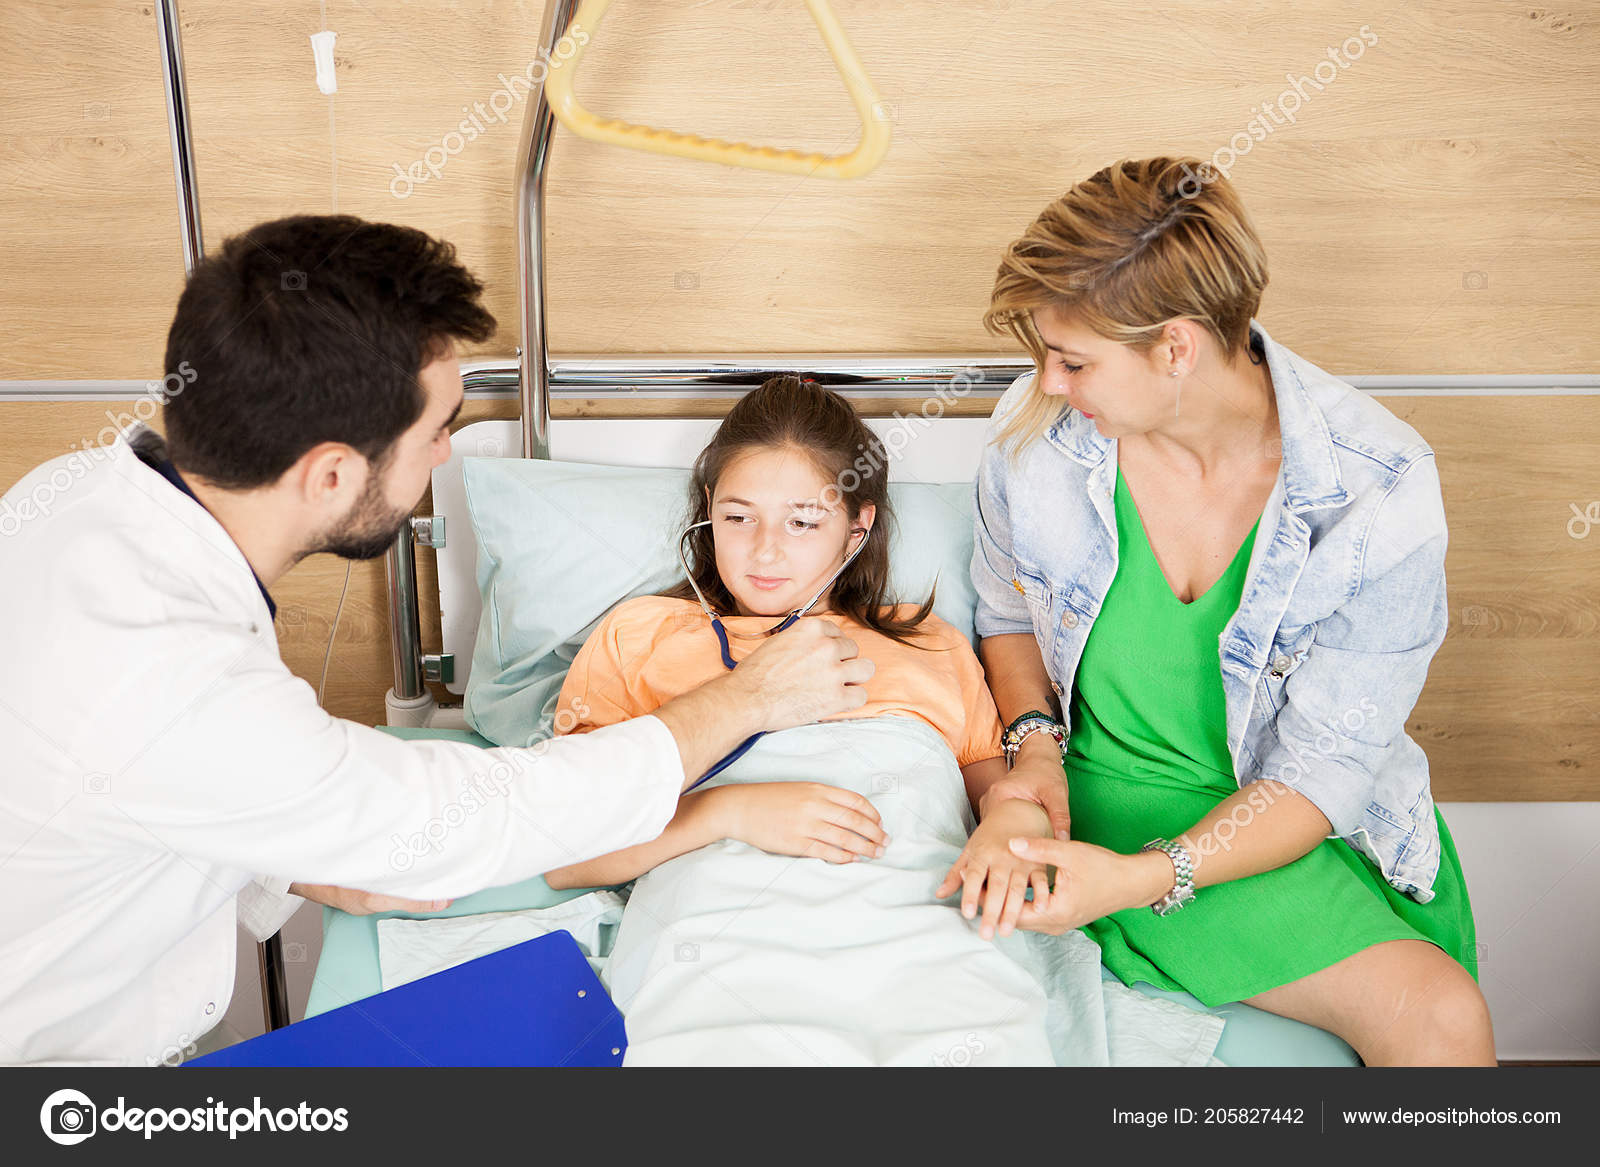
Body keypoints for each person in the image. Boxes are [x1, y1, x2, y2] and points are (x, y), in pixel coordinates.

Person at [0, 216, 870, 1066]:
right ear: (332, 474)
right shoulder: (171, 671)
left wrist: (289, 862)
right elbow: (475, 815)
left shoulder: (76, 495)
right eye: (436, 430)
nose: (448, 454)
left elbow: (162, 779)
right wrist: (745, 700)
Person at [960, 156, 1495, 1065]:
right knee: (1440, 1017)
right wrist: (1036, 757)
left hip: (1280, 814)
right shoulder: (1040, 437)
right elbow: (1006, 613)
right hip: (1106, 797)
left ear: (1176, 348)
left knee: (1442, 1018)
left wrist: (1142, 878)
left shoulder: (1380, 490)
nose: (1048, 383)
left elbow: (1322, 772)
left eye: (1075, 361)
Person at [529, 377, 1216, 1067]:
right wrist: (731, 810)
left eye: (803, 522)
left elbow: (1006, 800)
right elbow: (567, 855)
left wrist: (1015, 824)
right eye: (738, 517)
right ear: (708, 510)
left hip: (926, 925)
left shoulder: (931, 644)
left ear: (856, 529)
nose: (765, 551)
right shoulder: (641, 636)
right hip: (725, 935)